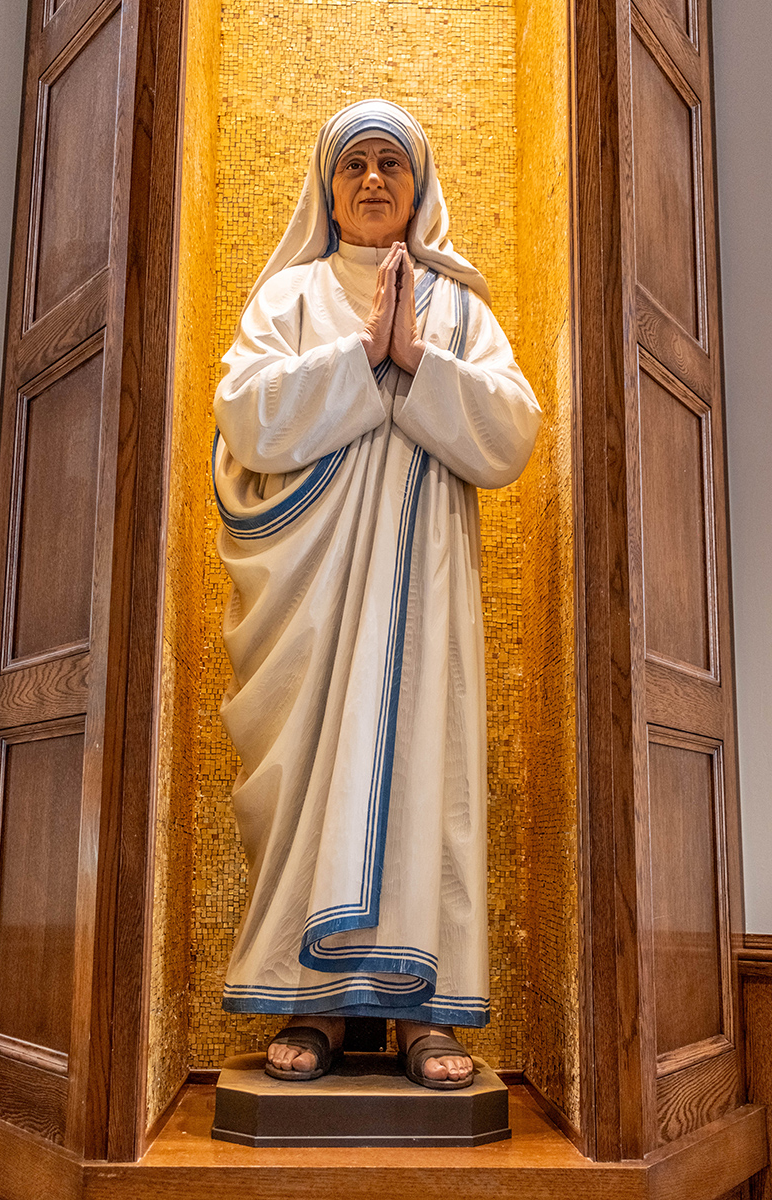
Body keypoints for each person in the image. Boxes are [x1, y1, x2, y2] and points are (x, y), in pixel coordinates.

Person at [212, 99, 541, 1089]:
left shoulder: (460, 310)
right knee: (316, 780)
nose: (370, 180)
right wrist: (359, 356)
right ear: (327, 188)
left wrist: (417, 359)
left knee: (424, 778)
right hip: (312, 600)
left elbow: (511, 433)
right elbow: (246, 414)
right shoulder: (290, 297)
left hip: (423, 595)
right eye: (353, 163)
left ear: (417, 186)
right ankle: (311, 1005)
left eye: (389, 164)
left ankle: (421, 1020)